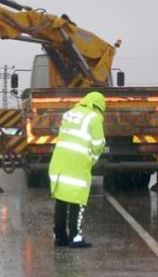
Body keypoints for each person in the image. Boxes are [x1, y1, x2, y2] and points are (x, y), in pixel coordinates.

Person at [49, 91, 106, 248]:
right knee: (78, 201)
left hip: (59, 162)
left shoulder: (69, 114)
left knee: (61, 200)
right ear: (100, 106)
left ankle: (60, 237)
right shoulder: (94, 118)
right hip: (77, 164)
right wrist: (92, 160)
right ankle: (75, 237)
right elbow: (99, 144)